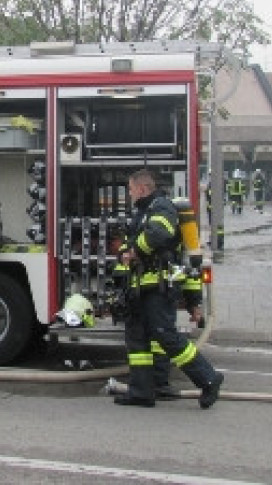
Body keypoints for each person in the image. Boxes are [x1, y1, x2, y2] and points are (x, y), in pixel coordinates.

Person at [113, 169, 223, 409]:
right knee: (137, 338)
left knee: (166, 336)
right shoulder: (142, 212)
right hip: (142, 287)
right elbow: (132, 241)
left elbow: (159, 234)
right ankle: (142, 392)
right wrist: (124, 253)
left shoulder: (160, 206)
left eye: (131, 189)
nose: (130, 194)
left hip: (158, 286)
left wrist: (134, 251)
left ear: (142, 188)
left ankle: (209, 379)